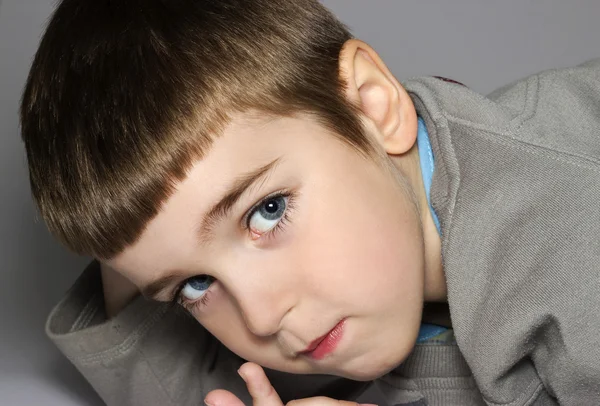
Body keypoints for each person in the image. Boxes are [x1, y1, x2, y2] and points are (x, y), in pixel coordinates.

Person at [19, 0, 600, 405]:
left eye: (267, 211)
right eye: (193, 286)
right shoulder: (367, 252)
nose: (262, 316)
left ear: (374, 105)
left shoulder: (569, 234)